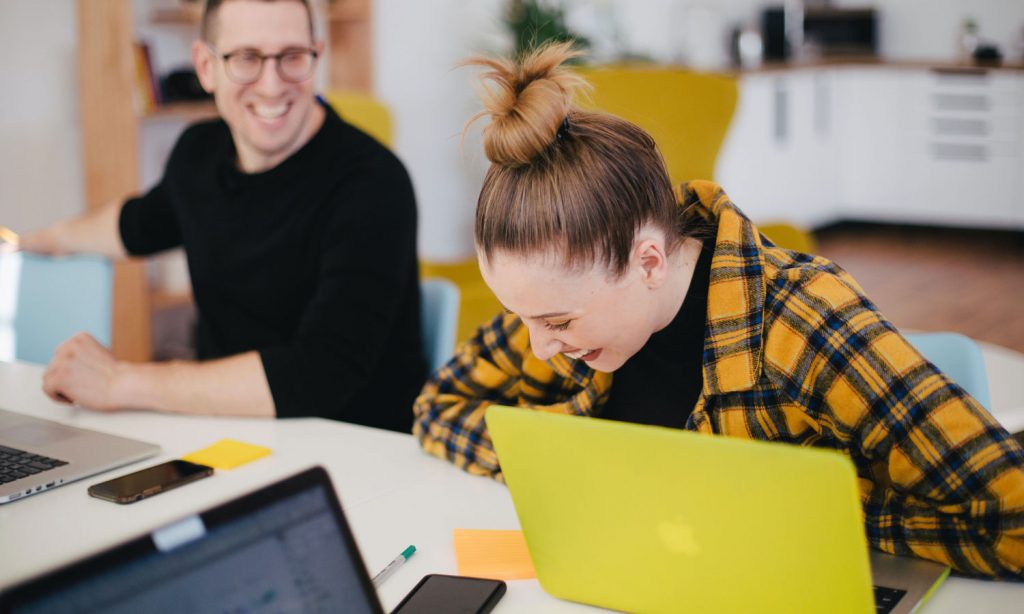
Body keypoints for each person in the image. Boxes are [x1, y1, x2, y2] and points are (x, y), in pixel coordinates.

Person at [412, 42, 1024, 577]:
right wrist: (570, 466)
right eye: (522, 316)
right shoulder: (560, 305)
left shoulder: (805, 321)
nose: (538, 345)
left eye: (557, 323)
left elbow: (1012, 518)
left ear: (649, 262)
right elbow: (438, 408)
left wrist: (818, 510)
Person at [20, 0, 424, 432]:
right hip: (225, 434)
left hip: (357, 454)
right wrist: (36, 240)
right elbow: (136, 224)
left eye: (291, 57)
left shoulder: (373, 183)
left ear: (316, 58)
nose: (271, 86)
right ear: (206, 66)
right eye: (246, 58)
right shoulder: (199, 153)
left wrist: (120, 381)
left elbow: (321, 372)